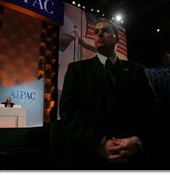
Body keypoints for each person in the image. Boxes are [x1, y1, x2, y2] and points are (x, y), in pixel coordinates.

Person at [59, 18, 159, 169]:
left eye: (105, 30)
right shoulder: (76, 70)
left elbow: (151, 108)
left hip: (132, 159)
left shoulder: (137, 70)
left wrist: (137, 140)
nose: (99, 34)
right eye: (96, 32)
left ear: (117, 38)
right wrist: (98, 142)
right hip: (89, 159)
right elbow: (68, 111)